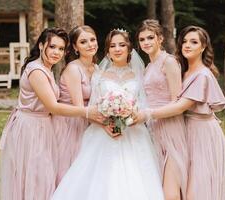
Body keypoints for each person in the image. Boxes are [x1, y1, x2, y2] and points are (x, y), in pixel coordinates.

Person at [51, 29, 164, 200]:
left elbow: (143, 103)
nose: (117, 49)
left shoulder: (140, 73)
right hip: (102, 130)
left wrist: (130, 117)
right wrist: (107, 124)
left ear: (129, 48)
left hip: (133, 131)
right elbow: (94, 105)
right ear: (108, 49)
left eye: (122, 45)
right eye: (112, 45)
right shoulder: (99, 73)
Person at [0, 27, 100, 200]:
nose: (56, 52)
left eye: (60, 48)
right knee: (34, 176)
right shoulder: (36, 71)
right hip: (30, 127)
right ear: (42, 45)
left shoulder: (46, 68)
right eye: (52, 47)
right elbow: (53, 106)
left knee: (43, 176)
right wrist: (88, 112)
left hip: (43, 125)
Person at [135, 25, 225, 200]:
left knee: (197, 188)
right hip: (185, 128)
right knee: (182, 186)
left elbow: (180, 105)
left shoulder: (202, 75)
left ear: (203, 47)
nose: (187, 45)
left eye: (194, 42)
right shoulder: (184, 71)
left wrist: (147, 114)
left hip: (202, 133)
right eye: (185, 41)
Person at [136, 19, 188, 200]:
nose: (146, 42)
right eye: (142, 39)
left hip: (171, 127)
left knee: (171, 192)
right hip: (153, 129)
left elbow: (177, 103)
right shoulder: (149, 67)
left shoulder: (170, 62)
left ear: (160, 39)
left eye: (150, 37)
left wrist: (149, 114)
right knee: (158, 186)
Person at [52, 25, 98, 185]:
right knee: (70, 173)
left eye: (92, 40)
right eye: (83, 42)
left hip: (89, 121)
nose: (90, 44)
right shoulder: (73, 69)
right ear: (75, 47)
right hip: (71, 124)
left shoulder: (97, 68)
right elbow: (79, 108)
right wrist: (107, 123)